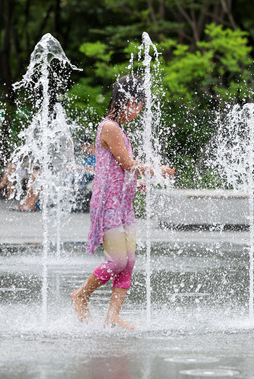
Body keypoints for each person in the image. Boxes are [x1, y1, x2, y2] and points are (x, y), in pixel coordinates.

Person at [71, 75, 174, 329]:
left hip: (123, 203)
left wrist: (135, 183)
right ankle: (81, 295)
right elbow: (128, 164)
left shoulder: (119, 130)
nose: (138, 112)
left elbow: (120, 170)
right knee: (117, 261)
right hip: (108, 204)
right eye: (137, 105)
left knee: (129, 262)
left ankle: (112, 316)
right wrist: (156, 170)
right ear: (127, 101)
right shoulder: (110, 128)